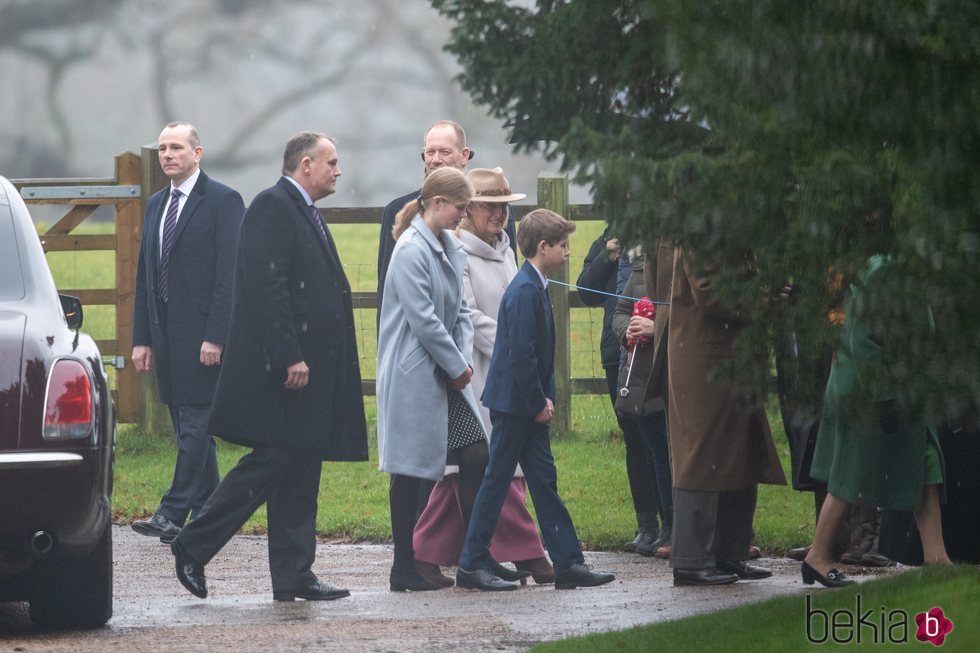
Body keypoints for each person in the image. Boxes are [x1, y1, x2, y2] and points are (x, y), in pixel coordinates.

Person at [169, 132, 369, 602]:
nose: (337, 171)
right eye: (331, 162)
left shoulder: (302, 209)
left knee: (300, 465)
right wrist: (288, 355)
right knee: (273, 461)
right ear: (305, 164)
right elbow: (267, 286)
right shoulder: (272, 206)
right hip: (279, 373)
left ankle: (294, 575)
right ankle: (193, 544)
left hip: (305, 373)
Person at [456, 209, 616, 591]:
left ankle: (568, 562)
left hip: (523, 403)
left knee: (544, 481)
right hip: (516, 406)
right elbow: (522, 357)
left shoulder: (533, 283)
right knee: (496, 482)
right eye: (563, 246)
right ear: (543, 247)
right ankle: (472, 563)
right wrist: (538, 404)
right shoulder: (526, 290)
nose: (568, 253)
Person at [377, 167, 521, 592]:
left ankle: (475, 560)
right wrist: (456, 365)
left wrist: (457, 359)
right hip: (415, 375)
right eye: (460, 207)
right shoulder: (410, 250)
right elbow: (423, 319)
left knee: (477, 454)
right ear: (437, 203)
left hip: (444, 373)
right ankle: (404, 566)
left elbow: (458, 312)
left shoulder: (447, 245)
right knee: (410, 472)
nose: (463, 216)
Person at [411, 168, 552, 587]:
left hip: (508, 371)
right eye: (490, 206)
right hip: (474, 372)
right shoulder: (457, 251)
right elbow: (466, 315)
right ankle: (528, 552)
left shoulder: (507, 250)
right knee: (489, 466)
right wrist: (512, 346)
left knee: (478, 471)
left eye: (504, 207)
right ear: (468, 208)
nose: (498, 214)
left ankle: (425, 553)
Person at [802, 256, 952, 586]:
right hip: (867, 389)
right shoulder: (885, 268)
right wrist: (884, 396)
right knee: (851, 471)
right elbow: (864, 339)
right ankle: (817, 556)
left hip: (899, 387)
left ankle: (937, 558)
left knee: (925, 462)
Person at [131, 122, 244, 543]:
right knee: (188, 428)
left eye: (176, 147)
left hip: (204, 340)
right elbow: (145, 273)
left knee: (196, 425)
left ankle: (172, 511)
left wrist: (217, 336)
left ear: (198, 153)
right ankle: (213, 520)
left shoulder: (223, 201)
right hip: (166, 338)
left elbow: (229, 275)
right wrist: (142, 338)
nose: (167, 155)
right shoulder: (157, 203)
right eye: (162, 148)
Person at [666, 246, 786, 586]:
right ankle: (692, 560)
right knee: (702, 454)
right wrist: (765, 298)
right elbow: (709, 292)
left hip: (732, 356)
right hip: (706, 358)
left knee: (740, 452)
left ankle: (730, 552)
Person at [377, 120, 515, 316]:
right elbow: (388, 290)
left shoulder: (494, 213)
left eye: (445, 152)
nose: (435, 159)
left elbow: (507, 281)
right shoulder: (397, 211)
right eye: (430, 152)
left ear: (464, 155)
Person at [578, 230, 662, 553]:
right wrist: (606, 256)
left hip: (653, 348)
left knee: (657, 435)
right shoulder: (607, 239)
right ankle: (646, 525)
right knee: (633, 436)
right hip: (617, 352)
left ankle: (669, 524)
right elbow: (586, 292)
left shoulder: (658, 236)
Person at [611, 242, 674, 558]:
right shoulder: (638, 267)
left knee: (676, 454)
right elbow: (620, 311)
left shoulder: (680, 267)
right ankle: (669, 526)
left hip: (674, 376)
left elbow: (692, 313)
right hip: (642, 378)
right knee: (658, 453)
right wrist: (628, 330)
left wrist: (656, 326)